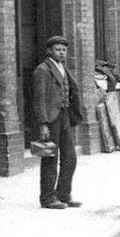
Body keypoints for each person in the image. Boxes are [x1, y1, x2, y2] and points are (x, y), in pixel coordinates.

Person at [33, 35, 84, 210]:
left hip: (65, 116)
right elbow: (39, 99)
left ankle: (64, 194)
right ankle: (47, 198)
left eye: (64, 50)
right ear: (49, 51)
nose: (61, 53)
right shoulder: (42, 70)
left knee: (70, 158)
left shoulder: (64, 68)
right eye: (57, 49)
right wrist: (43, 124)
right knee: (50, 159)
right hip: (51, 118)